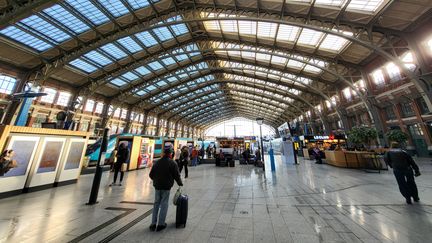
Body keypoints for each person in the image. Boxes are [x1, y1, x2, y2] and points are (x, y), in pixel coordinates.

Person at [149, 148, 183, 232]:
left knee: (156, 203)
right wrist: (180, 183)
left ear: (164, 153)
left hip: (157, 186)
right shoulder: (172, 163)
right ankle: (161, 224)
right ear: (171, 154)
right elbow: (176, 175)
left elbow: (151, 175)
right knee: (164, 204)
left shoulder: (157, 162)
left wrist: (157, 180)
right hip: (166, 187)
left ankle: (153, 224)